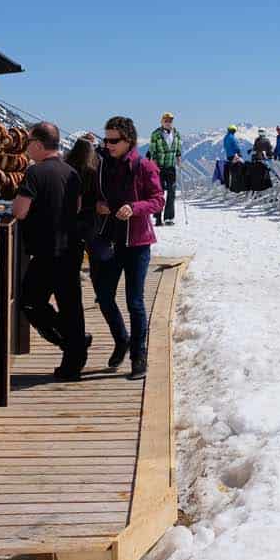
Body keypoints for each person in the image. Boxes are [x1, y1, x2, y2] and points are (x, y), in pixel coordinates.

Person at [12, 121, 90, 379]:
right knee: (71, 305)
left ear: (37, 144)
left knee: (31, 302)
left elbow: (20, 211)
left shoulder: (35, 173)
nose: (26, 149)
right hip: (70, 248)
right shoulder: (71, 172)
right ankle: (74, 358)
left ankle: (71, 342)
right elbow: (77, 206)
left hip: (46, 250)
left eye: (28, 143)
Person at [92, 116, 166, 379]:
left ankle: (138, 355)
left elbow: (158, 200)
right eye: (106, 139)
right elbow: (98, 195)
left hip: (137, 242)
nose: (108, 144)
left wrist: (134, 208)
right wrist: (100, 205)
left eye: (114, 140)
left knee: (134, 301)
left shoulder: (144, 166)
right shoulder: (102, 166)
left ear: (128, 141)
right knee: (103, 295)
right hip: (110, 239)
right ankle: (121, 339)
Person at [148, 112, 182, 227]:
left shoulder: (176, 133)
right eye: (166, 120)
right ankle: (157, 216)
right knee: (160, 192)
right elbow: (153, 151)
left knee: (172, 191)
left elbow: (178, 148)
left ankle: (169, 217)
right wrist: (153, 165)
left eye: (170, 120)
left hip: (171, 166)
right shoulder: (156, 134)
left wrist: (179, 157)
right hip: (159, 167)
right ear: (162, 122)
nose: (168, 122)